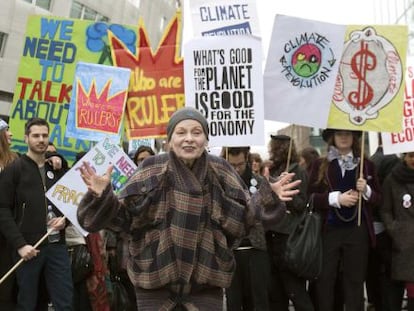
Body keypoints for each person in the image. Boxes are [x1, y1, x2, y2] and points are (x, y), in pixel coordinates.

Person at [77, 107, 301, 310]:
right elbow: (124, 221)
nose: (189, 139)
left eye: (196, 132)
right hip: (154, 282)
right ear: (170, 139)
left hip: (206, 285)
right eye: (181, 132)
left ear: (206, 139)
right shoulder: (150, 168)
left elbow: (244, 221)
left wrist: (267, 197)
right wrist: (101, 197)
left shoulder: (221, 171)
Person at [0, 117, 73, 311]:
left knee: (64, 301)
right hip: (28, 248)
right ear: (26, 138)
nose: (41, 139)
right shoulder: (14, 169)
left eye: (44, 135)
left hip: (57, 245)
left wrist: (66, 221)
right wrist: (20, 244)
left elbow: (74, 202)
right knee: (27, 303)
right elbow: (2, 209)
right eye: (36, 135)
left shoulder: (56, 169)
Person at [307, 129, 381, 311]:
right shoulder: (320, 164)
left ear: (354, 137)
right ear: (332, 138)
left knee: (355, 282)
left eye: (348, 133)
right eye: (339, 133)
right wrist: (335, 199)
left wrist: (367, 191)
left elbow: (380, 199)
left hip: (357, 230)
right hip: (328, 231)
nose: (343, 137)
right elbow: (309, 198)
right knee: (325, 280)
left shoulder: (367, 165)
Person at [265, 134, 313, 311]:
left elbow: (301, 204)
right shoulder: (273, 170)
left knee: (294, 289)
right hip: (272, 235)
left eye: (275, 146)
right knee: (276, 293)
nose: (273, 149)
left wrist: (287, 190)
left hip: (288, 238)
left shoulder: (296, 171)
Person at [221, 146, 270, 311]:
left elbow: (270, 210)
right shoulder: (219, 184)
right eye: (232, 165)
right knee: (234, 301)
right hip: (231, 250)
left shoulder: (260, 181)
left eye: (240, 164)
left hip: (256, 248)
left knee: (259, 301)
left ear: (247, 159)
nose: (236, 169)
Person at [366, 140, 403, 311]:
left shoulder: (373, 158)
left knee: (372, 267)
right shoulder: (392, 161)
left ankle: (374, 301)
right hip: (385, 222)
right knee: (388, 269)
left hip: (372, 222)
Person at [381, 152, 414, 311]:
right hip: (404, 241)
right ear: (404, 157)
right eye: (410, 155)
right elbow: (385, 209)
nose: (413, 159)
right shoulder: (392, 179)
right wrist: (395, 230)